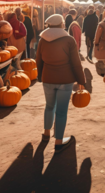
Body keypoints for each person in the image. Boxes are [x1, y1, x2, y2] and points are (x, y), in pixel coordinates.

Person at [36, 14, 86, 151]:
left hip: (48, 78)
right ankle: (58, 141)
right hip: (65, 79)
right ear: (62, 25)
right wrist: (81, 80)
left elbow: (38, 60)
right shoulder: (69, 40)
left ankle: (46, 133)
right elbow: (76, 63)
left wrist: (40, 76)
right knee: (62, 111)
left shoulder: (42, 40)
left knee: (49, 106)